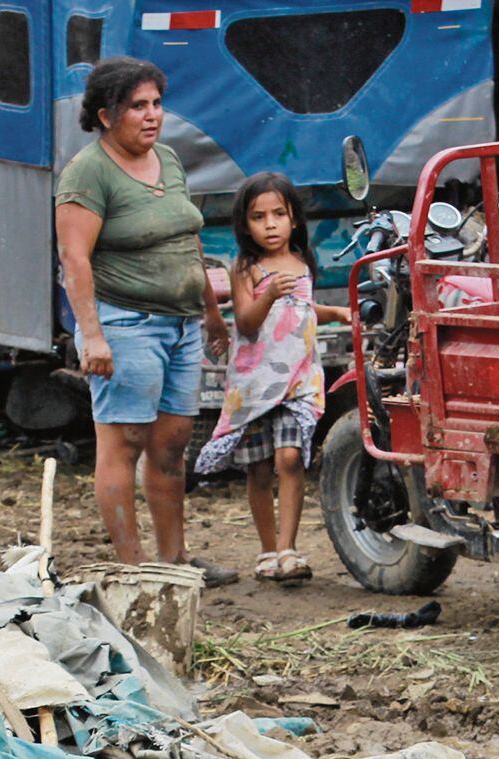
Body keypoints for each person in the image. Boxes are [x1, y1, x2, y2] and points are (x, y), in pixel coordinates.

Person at [54, 57, 236, 581]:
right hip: (126, 324)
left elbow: (187, 236)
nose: (152, 115)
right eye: (138, 106)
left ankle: (174, 561)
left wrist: (209, 312)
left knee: (173, 442)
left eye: (157, 103)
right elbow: (75, 260)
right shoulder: (88, 172)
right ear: (107, 115)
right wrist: (92, 336)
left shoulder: (169, 160)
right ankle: (132, 569)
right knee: (124, 442)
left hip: (181, 325)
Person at [193, 172, 350, 584]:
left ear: (294, 218)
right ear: (245, 226)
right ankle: (266, 551)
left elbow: (303, 310)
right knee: (259, 468)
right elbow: (245, 324)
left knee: (291, 457)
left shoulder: (301, 262)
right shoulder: (245, 268)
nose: (271, 224)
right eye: (259, 217)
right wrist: (267, 294)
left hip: (297, 378)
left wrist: (337, 314)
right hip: (256, 383)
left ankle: (288, 549)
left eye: (279, 214)